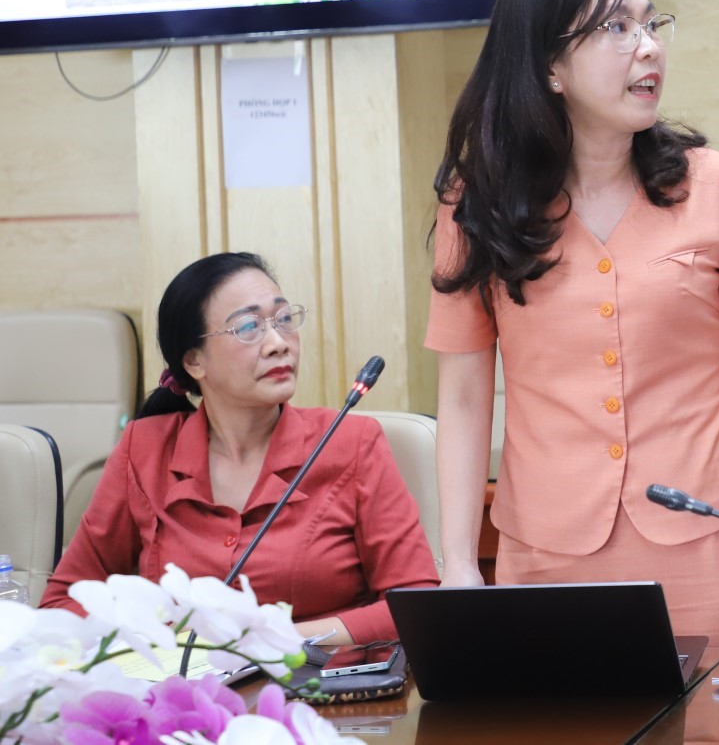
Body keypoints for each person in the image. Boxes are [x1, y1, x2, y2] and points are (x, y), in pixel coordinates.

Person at [426, 0, 719, 645]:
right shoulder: (477, 205)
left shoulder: (712, 183)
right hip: (547, 554)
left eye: (651, 24)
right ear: (550, 66)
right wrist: (459, 564)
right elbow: (465, 397)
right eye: (617, 28)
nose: (649, 46)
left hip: (705, 537)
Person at [42, 252, 438, 644]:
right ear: (194, 362)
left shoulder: (352, 443)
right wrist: (156, 639)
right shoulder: (144, 449)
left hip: (318, 679)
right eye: (248, 327)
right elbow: (63, 602)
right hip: (183, 682)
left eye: (284, 320)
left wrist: (268, 641)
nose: (278, 343)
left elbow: (414, 604)